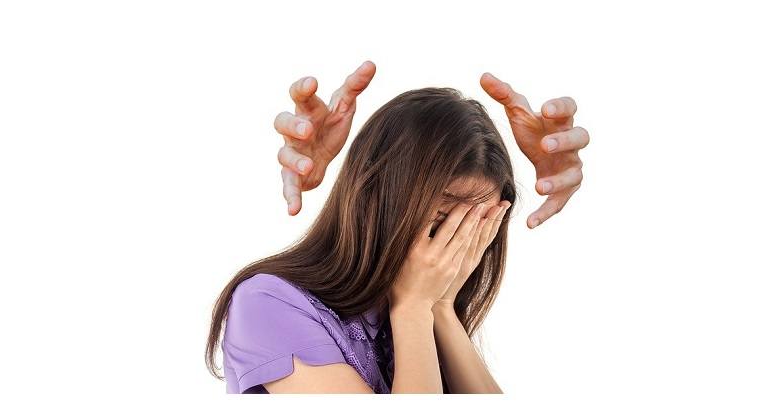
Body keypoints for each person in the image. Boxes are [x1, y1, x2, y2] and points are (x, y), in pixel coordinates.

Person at [205, 61, 589, 393]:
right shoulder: (267, 304)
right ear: (377, 199)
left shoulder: (418, 309)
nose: (455, 245)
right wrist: (415, 307)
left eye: (477, 225)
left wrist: (441, 308)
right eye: (443, 221)